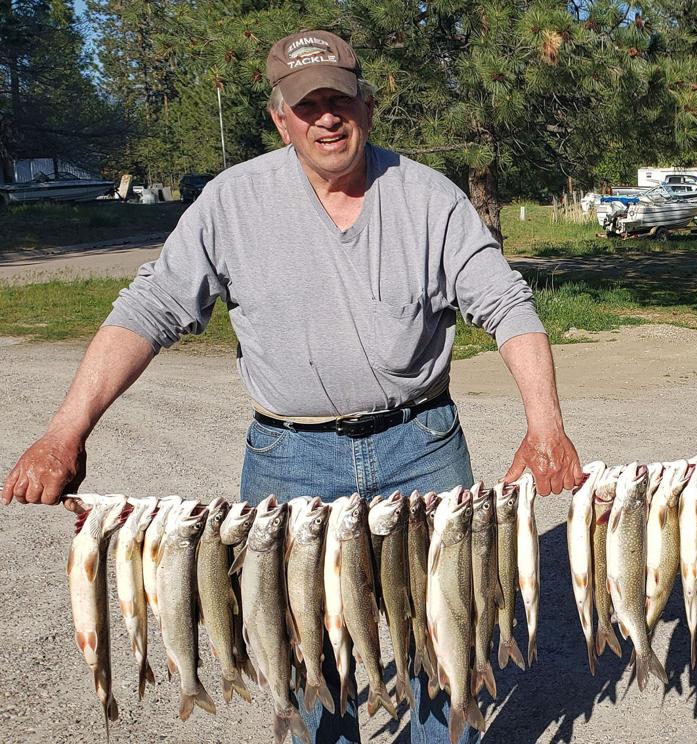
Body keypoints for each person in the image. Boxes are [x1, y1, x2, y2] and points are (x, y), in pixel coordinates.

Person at [1, 29, 585, 744]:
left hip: (422, 448)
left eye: (340, 99)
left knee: (443, 642)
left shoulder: (429, 199)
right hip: (289, 461)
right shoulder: (232, 202)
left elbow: (507, 304)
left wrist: (545, 425)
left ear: (366, 106)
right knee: (309, 655)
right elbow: (148, 309)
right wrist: (65, 430)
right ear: (281, 118)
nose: (327, 117)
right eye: (308, 106)